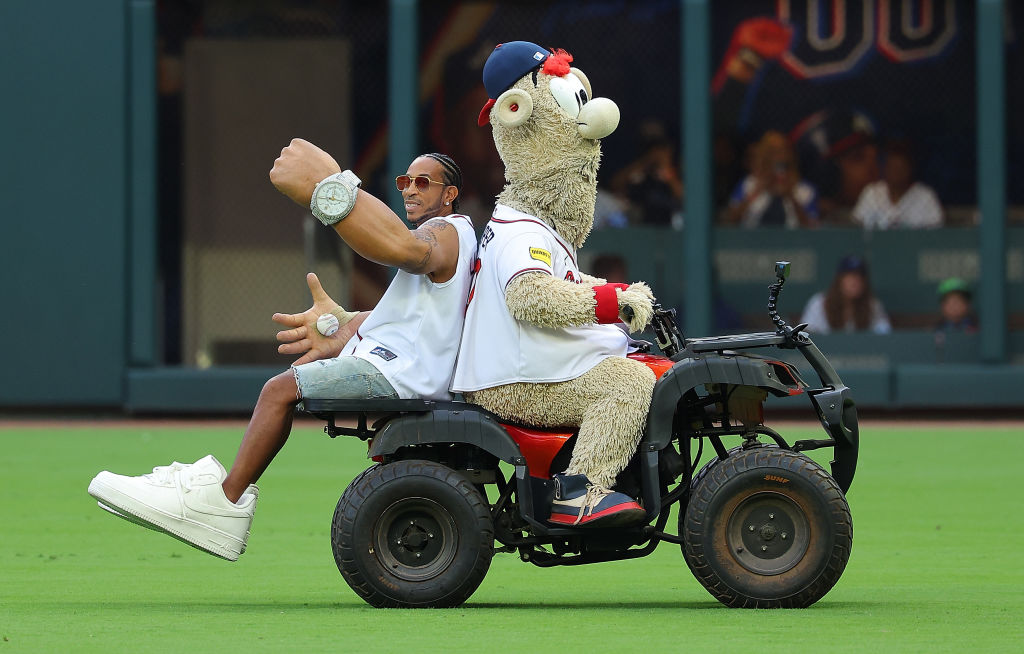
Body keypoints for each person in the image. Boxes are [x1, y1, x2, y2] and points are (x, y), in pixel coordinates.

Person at [88, 142, 478, 561]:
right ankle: (221, 498)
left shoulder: (447, 232)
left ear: (450, 193)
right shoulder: (447, 239)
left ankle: (225, 501)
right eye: (405, 181)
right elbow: (412, 316)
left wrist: (333, 188)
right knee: (281, 388)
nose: (410, 190)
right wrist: (342, 324)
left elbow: (404, 250)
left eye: (423, 182)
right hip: (407, 369)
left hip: (402, 376)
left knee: (279, 390)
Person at [724, 130, 819, 228]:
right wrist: (757, 191)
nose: (778, 156)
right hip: (752, 241)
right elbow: (730, 220)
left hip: (793, 242)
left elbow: (811, 228)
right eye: (772, 152)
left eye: (783, 151)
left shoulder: (805, 189)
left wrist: (790, 196)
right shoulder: (748, 184)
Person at [852, 140, 944, 229]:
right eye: (892, 167)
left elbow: (935, 237)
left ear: (909, 169)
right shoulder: (872, 193)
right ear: (885, 168)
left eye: (900, 168)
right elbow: (857, 230)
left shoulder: (926, 197)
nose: (896, 173)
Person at [800, 255, 891, 334]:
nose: (855, 282)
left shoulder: (873, 306)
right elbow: (807, 334)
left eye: (859, 277)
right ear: (839, 280)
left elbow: (884, 333)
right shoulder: (819, 303)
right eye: (850, 277)